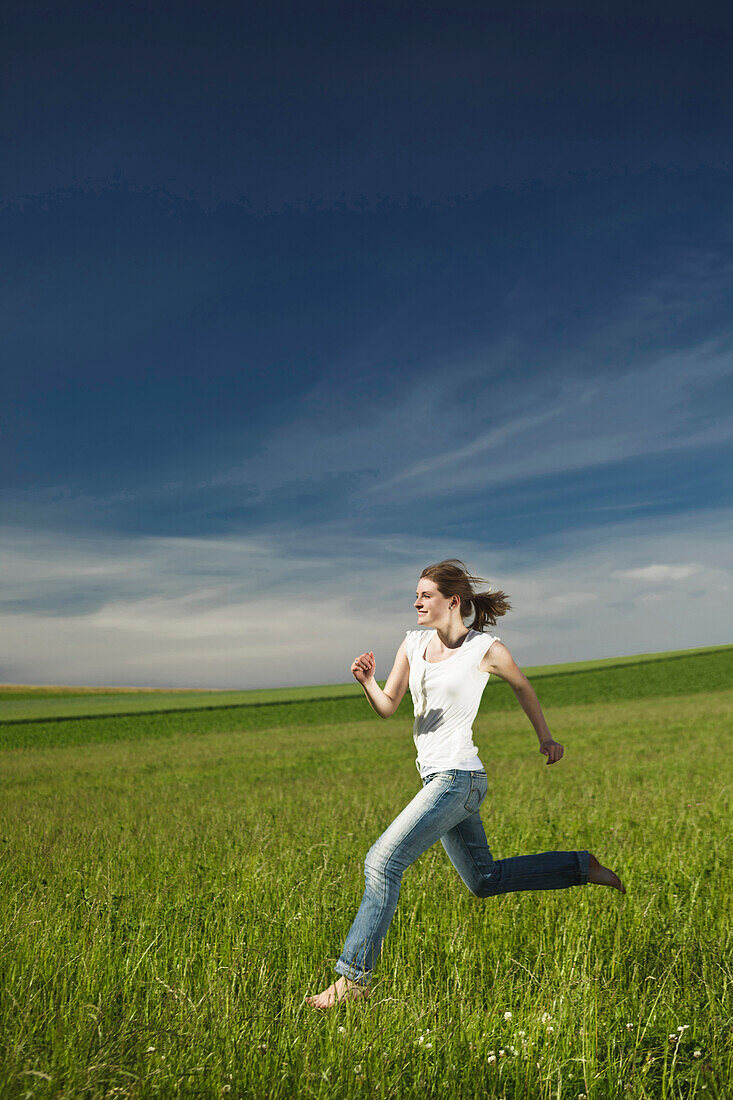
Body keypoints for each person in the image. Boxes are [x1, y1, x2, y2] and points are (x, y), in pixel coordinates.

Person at [306, 559, 624, 1010]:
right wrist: (367, 682)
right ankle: (579, 866)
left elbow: (523, 688)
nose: (416, 602)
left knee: (382, 863)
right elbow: (388, 706)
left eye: (425, 595)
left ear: (452, 602)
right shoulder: (412, 644)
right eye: (416, 595)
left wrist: (547, 738)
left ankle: (353, 980)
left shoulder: (486, 649)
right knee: (483, 880)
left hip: (461, 778)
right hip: (435, 777)